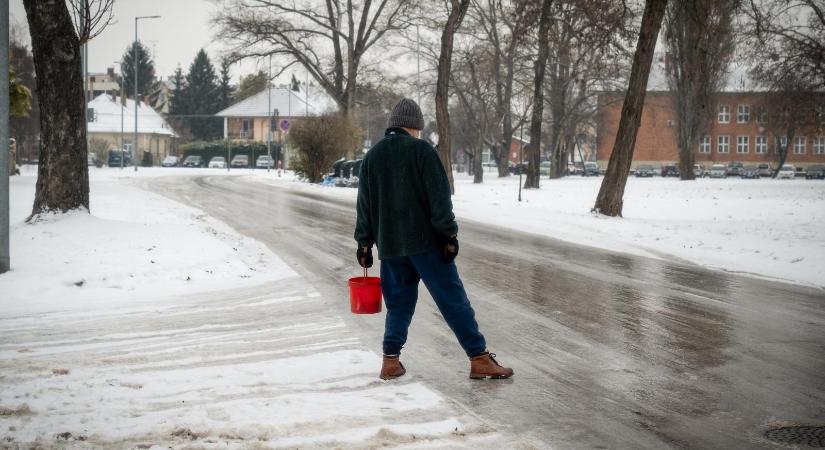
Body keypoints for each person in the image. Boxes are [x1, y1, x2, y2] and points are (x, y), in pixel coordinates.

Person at [354, 98, 514, 381]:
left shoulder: (372, 156)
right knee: (452, 299)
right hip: (425, 244)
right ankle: (479, 358)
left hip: (390, 246)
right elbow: (439, 198)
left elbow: (364, 205)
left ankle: (390, 362)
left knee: (398, 305)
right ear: (413, 126)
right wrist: (449, 234)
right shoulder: (422, 151)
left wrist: (364, 243)